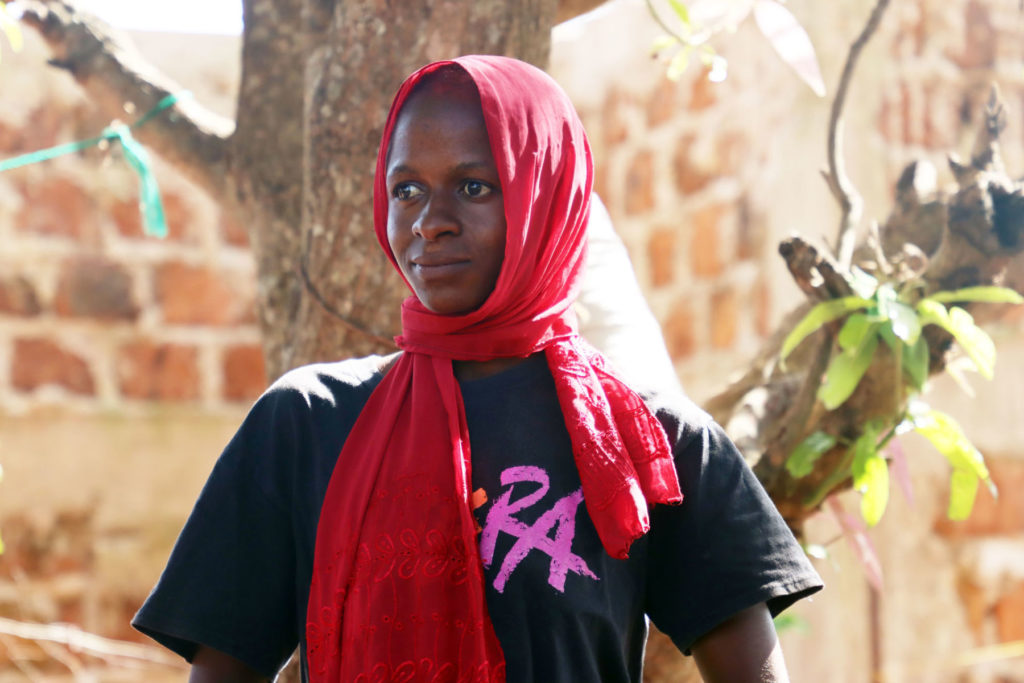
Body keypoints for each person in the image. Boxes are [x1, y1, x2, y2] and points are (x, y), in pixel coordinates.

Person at [133, 55, 822, 683]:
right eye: (406, 190)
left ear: (547, 195)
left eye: (472, 185)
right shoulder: (306, 423)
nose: (430, 222)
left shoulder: (650, 440)